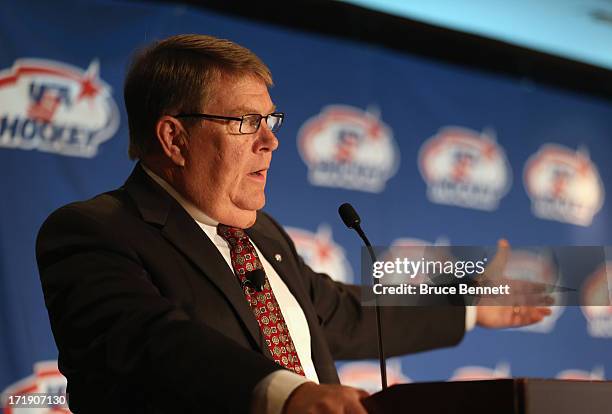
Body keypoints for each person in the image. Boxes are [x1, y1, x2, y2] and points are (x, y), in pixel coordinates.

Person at [35, 34, 551, 414]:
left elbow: (343, 315)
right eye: (245, 122)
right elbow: (153, 344)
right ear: (174, 139)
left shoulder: (264, 237)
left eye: (270, 121)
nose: (270, 141)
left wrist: (468, 305)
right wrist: (288, 394)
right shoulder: (94, 232)